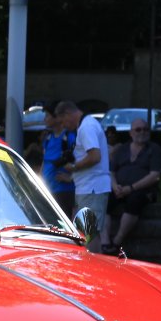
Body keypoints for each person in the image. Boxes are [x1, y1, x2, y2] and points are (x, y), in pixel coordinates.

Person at [54, 100, 109, 249]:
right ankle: (93, 261)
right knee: (87, 233)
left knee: (88, 234)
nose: (64, 126)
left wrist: (73, 167)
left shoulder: (86, 127)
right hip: (88, 187)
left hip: (92, 188)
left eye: (62, 122)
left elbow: (95, 156)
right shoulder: (86, 125)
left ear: (67, 114)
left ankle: (93, 262)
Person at [104, 117, 161, 253]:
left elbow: (155, 175)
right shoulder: (122, 149)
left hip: (142, 190)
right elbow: (111, 171)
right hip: (119, 188)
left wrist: (131, 188)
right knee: (102, 202)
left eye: (145, 129)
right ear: (130, 133)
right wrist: (115, 186)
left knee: (134, 202)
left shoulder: (154, 149)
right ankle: (105, 243)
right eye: (138, 129)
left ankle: (117, 241)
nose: (142, 132)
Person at [39, 108, 76, 214]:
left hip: (63, 190)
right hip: (47, 189)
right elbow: (44, 161)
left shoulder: (69, 137)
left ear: (57, 118)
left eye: (47, 116)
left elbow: (80, 159)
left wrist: (71, 178)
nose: (45, 119)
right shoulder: (48, 138)